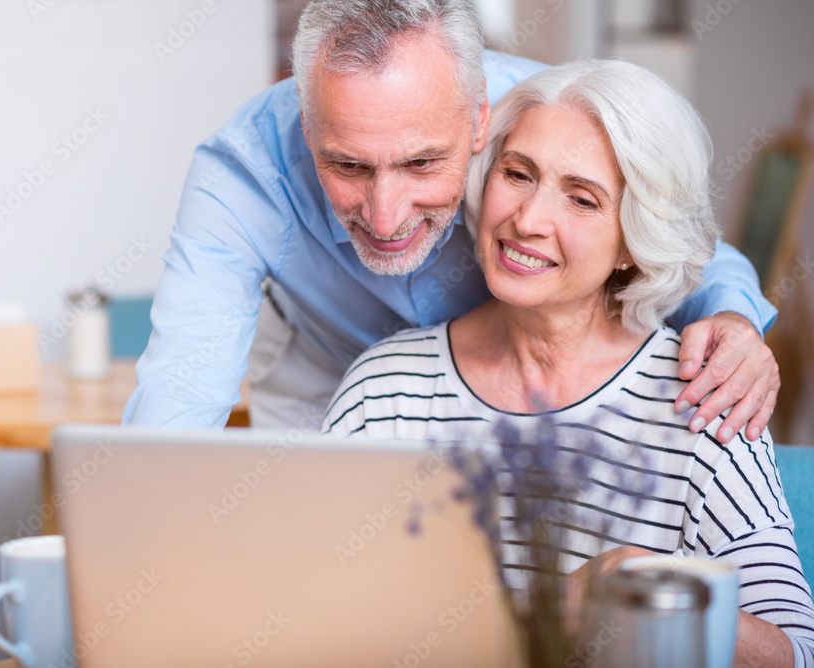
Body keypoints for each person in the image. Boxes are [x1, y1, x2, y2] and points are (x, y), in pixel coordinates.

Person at [321, 59, 814, 666]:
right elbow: (316, 617)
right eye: (517, 174)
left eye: (581, 199)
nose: (527, 220)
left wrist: (656, 590)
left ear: (634, 241)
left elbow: (796, 653)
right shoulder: (384, 390)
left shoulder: (707, 397)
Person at [122, 0, 779, 445]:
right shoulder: (240, 171)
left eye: (421, 163)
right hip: (329, 371)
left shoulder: (538, 116)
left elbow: (678, 242)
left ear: (479, 121)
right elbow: (177, 397)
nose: (386, 217)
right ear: (305, 118)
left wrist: (732, 318)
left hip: (514, 372)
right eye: (346, 166)